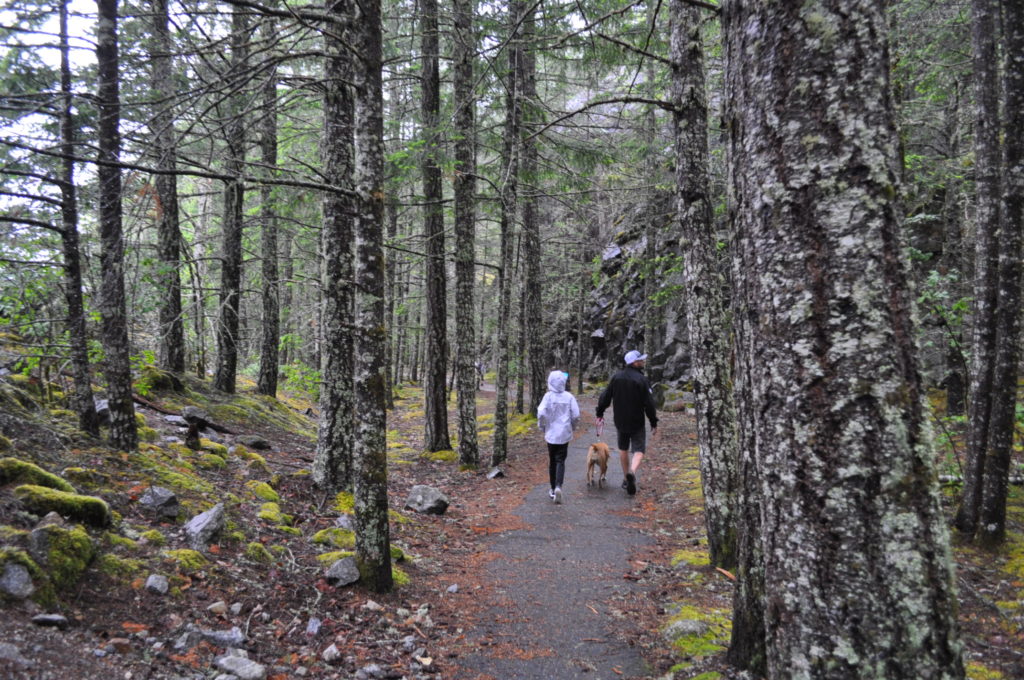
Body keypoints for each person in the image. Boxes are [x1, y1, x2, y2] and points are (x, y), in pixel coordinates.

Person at [595, 350, 658, 495]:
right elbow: (649, 403)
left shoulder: (616, 377)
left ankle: (625, 478)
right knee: (639, 450)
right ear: (634, 362)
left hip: (620, 420)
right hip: (637, 420)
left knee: (623, 448)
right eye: (640, 360)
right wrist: (653, 421)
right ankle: (632, 472)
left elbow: (605, 396)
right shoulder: (642, 379)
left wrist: (600, 412)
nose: (643, 362)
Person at [537, 369, 580, 504]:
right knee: (561, 460)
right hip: (564, 434)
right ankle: (558, 486)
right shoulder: (569, 397)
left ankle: (552, 488)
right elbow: (576, 415)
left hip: (551, 434)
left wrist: (542, 426)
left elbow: (541, 412)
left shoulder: (548, 397)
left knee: (552, 461)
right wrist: (572, 426)